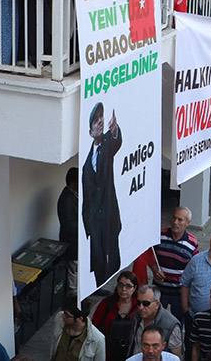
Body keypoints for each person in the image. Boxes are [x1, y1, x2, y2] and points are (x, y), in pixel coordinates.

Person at [79, 102, 123, 287]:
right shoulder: (86, 164)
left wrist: (115, 130)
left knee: (112, 255)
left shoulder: (107, 144)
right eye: (96, 120)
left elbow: (116, 142)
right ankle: (100, 286)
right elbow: (86, 198)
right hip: (95, 221)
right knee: (97, 259)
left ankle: (114, 286)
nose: (100, 122)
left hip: (109, 216)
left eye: (101, 118)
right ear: (90, 132)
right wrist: (88, 224)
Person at [91, 271, 139, 360]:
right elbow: (94, 328)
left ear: (134, 288)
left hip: (131, 353)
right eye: (120, 285)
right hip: (107, 352)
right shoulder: (106, 304)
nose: (123, 289)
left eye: (128, 286)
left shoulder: (139, 307)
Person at [57, 167, 79, 296]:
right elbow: (68, 225)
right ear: (72, 183)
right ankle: (74, 296)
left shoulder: (75, 195)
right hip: (72, 242)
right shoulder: (66, 200)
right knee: (73, 269)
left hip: (79, 242)